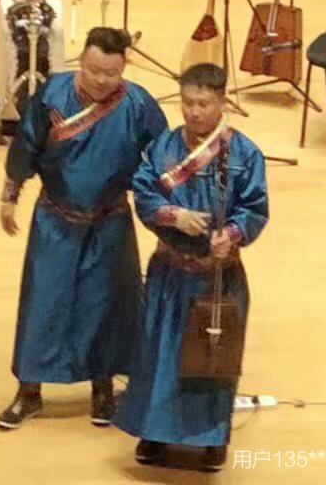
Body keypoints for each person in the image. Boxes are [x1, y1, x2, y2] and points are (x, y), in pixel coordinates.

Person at [0, 26, 167, 430]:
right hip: (55, 219)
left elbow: (164, 160)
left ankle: (102, 387)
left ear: (124, 67)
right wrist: (10, 194)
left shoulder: (139, 105)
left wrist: (168, 213)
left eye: (111, 73)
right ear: (81, 61)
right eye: (93, 70)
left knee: (106, 306)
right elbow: (26, 145)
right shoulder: (52, 96)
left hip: (111, 221)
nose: (101, 80)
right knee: (43, 303)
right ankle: (29, 391)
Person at [113, 63, 269, 473]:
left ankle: (211, 438)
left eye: (204, 103)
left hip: (218, 277)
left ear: (222, 102)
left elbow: (255, 208)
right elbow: (144, 193)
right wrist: (173, 216)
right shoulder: (162, 148)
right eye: (187, 102)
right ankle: (154, 431)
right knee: (159, 354)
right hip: (169, 270)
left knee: (211, 360)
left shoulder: (244, 153)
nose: (194, 112)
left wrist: (231, 234)